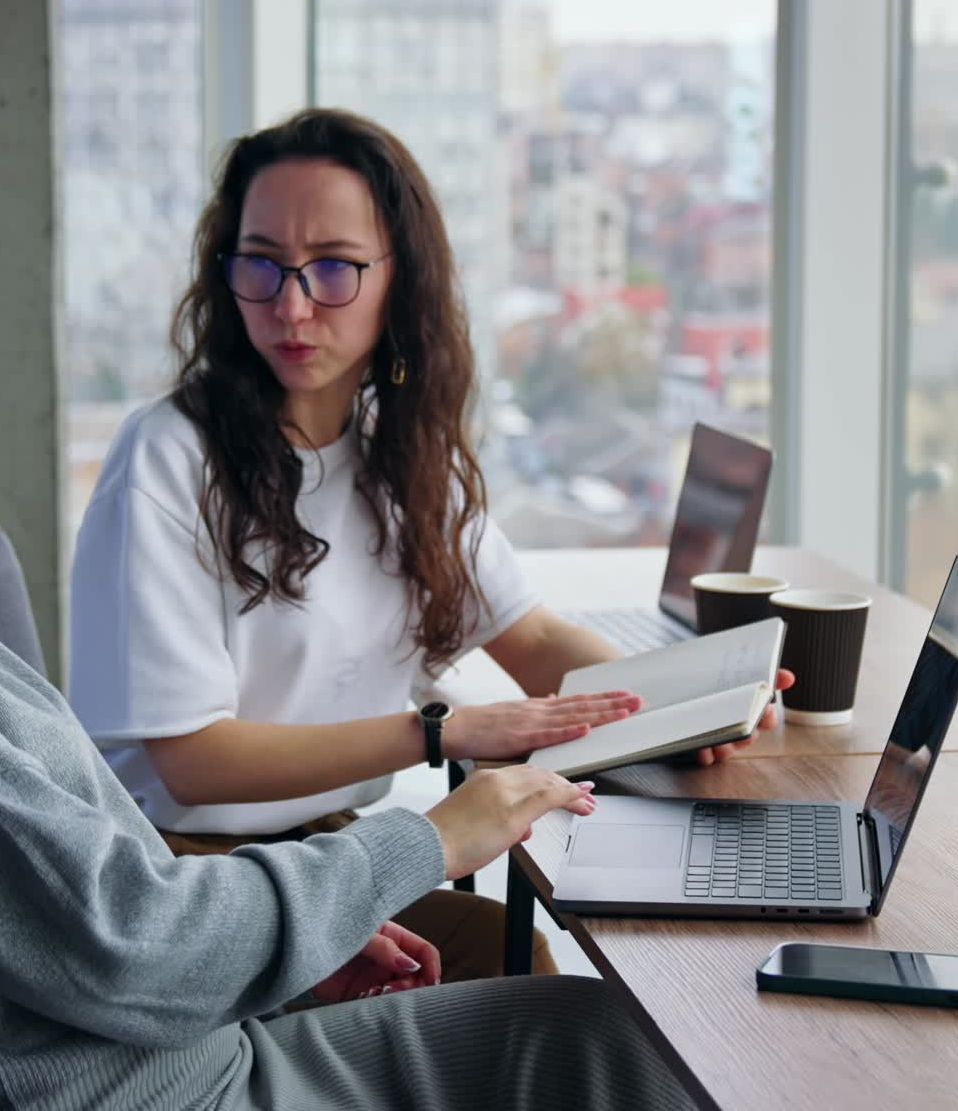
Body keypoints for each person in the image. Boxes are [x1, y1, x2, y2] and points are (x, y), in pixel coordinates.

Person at [0, 228, 696, 1110]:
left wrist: (278, 957)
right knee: (603, 1043)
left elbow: (58, 916)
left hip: (163, 1048)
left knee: (579, 1026)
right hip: (157, 1087)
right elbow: (123, 935)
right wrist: (426, 838)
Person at [70, 107, 794, 982]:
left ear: (397, 277)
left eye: (334, 267)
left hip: (331, 859)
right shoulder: (168, 457)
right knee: (516, 979)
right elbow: (190, 762)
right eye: (261, 263)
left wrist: (678, 710)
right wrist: (443, 732)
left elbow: (527, 637)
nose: (291, 305)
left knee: (522, 966)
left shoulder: (397, 446)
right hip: (188, 882)